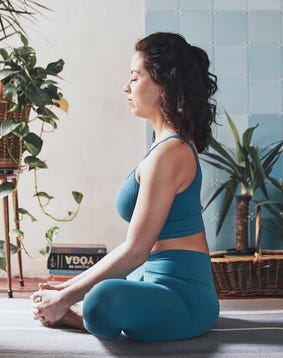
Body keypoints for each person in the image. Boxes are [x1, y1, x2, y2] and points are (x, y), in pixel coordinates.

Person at [31, 32, 219, 342]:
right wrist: (65, 287)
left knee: (102, 298)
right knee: (98, 289)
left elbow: (136, 250)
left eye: (135, 77)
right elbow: (134, 250)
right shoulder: (164, 146)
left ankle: (80, 315)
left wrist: (66, 298)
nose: (126, 87)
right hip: (149, 279)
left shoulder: (170, 153)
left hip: (184, 298)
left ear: (163, 86)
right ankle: (79, 308)